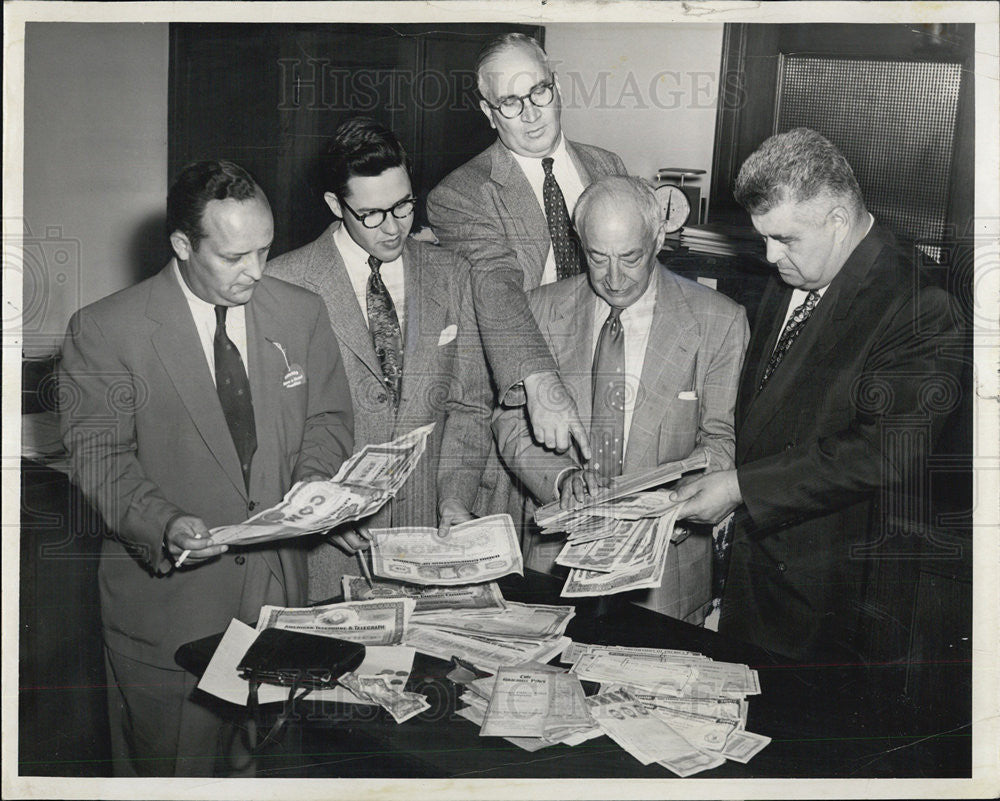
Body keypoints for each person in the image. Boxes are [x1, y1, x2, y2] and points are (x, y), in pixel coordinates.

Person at [58, 161, 354, 776]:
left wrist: (315, 480)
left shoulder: (301, 313)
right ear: (183, 246)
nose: (255, 271)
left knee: (269, 776)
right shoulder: (106, 330)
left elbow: (327, 417)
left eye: (265, 250)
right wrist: (162, 522)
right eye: (235, 256)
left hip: (278, 600)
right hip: (172, 612)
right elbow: (100, 458)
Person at [670, 128, 962, 662]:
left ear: (838, 219)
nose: (768, 255)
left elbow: (885, 451)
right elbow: (770, 402)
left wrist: (740, 488)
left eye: (784, 239)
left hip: (828, 590)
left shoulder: (921, 299)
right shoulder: (801, 263)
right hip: (755, 572)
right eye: (763, 236)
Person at [493, 176, 749, 621]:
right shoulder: (538, 309)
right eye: (597, 257)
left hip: (664, 575)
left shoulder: (719, 320)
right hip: (553, 563)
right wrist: (561, 478)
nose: (613, 278)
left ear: (658, 238)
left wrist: (671, 502)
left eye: (630, 257)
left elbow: (721, 440)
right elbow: (509, 422)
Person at [267, 117, 492, 602]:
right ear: (334, 204)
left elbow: (469, 407)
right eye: (371, 214)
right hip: (325, 556)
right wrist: (318, 508)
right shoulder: (281, 284)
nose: (393, 228)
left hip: (429, 541)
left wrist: (455, 497)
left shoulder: (452, 274)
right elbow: (271, 431)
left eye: (404, 205)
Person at [427, 32, 628, 481]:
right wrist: (539, 380)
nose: (532, 113)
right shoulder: (460, 194)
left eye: (539, 91)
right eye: (510, 102)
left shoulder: (609, 167)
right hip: (525, 404)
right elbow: (496, 283)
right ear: (487, 111)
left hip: (616, 383)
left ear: (555, 84)